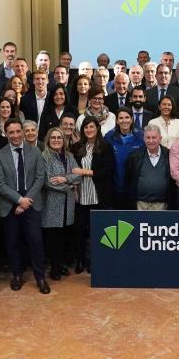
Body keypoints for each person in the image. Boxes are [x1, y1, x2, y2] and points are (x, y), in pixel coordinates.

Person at [0, 119, 49, 293]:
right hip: (10, 203)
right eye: (11, 132)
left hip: (31, 201)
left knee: (36, 241)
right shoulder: (0, 155)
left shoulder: (35, 151)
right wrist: (19, 200)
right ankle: (17, 275)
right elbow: (0, 184)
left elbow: (40, 177)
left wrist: (26, 201)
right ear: (6, 134)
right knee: (12, 242)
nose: (16, 135)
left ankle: (40, 277)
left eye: (18, 131)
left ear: (23, 132)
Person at [70, 117, 114, 273]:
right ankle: (81, 261)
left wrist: (86, 172)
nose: (89, 130)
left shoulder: (106, 147)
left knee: (97, 231)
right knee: (79, 232)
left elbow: (108, 171)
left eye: (91, 127)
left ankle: (97, 261)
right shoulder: (76, 147)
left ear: (97, 128)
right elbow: (71, 169)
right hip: (80, 196)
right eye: (85, 127)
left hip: (98, 196)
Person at [40, 128, 81, 281]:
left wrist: (65, 179)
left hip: (67, 204)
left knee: (64, 236)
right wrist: (69, 185)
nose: (56, 140)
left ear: (64, 140)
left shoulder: (69, 156)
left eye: (59, 137)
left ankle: (59, 264)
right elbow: (48, 181)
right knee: (53, 238)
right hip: (51, 203)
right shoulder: (44, 157)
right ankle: (54, 268)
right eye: (53, 138)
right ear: (48, 140)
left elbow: (78, 175)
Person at [125, 125, 174, 211]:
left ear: (160, 138)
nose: (151, 141)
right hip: (140, 204)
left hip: (162, 205)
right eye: (148, 138)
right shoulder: (135, 156)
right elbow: (129, 179)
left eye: (154, 137)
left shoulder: (169, 155)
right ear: (144, 139)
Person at [105, 110, 143, 209]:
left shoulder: (141, 136)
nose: (124, 121)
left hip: (136, 189)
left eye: (127, 117)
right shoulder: (109, 137)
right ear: (117, 121)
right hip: (116, 187)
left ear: (132, 119)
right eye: (120, 118)